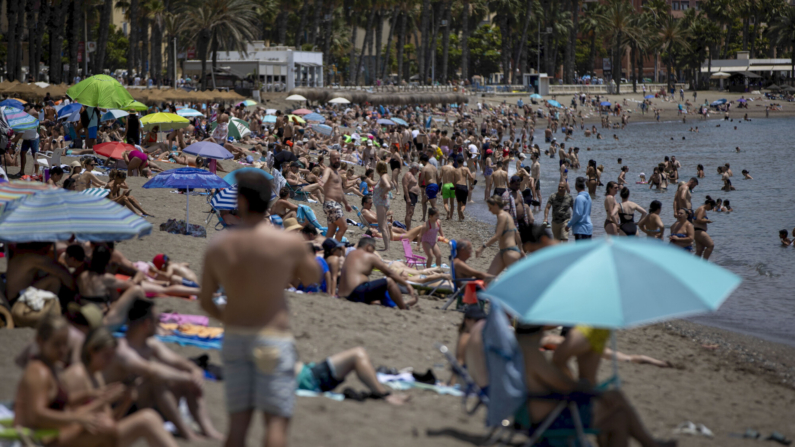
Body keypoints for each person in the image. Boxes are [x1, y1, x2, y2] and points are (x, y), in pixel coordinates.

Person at [199, 171, 321, 447]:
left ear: (239, 201)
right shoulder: (287, 242)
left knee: (238, 426)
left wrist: (227, 318)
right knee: (275, 423)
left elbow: (205, 301)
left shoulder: (219, 246)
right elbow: (313, 276)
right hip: (271, 338)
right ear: (270, 202)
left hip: (235, 337)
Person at [14, 315, 180, 447]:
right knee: (114, 427)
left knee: (134, 421)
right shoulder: (46, 372)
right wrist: (96, 404)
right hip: (39, 437)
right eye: (57, 345)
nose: (63, 350)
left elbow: (62, 404)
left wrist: (123, 401)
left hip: (55, 433)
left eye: (65, 345)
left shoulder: (63, 370)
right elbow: (39, 414)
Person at [295, 347, 408, 405]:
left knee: (358, 354)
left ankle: (383, 393)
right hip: (308, 378)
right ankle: (384, 395)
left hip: (307, 374)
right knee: (358, 354)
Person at [337, 237, 418, 309]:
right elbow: (390, 273)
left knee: (378, 295)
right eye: (374, 248)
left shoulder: (350, 254)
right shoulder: (369, 256)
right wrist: (407, 284)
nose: (374, 250)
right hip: (355, 292)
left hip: (343, 294)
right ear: (368, 246)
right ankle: (403, 307)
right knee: (389, 281)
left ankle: (398, 303)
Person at [476, 196, 522, 275]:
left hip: (510, 252)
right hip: (503, 252)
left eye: (490, 207)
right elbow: (516, 232)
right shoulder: (507, 215)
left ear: (496, 205)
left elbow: (497, 236)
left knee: (516, 281)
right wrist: (521, 250)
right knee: (489, 277)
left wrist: (482, 247)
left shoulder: (502, 216)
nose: (489, 210)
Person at [321, 151, 352, 242]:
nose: (337, 160)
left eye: (338, 158)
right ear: (330, 159)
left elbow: (340, 191)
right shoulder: (328, 170)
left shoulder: (337, 173)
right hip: (331, 204)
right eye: (334, 159)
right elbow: (325, 177)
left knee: (332, 229)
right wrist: (322, 181)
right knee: (343, 226)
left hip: (334, 204)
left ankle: (325, 249)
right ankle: (335, 248)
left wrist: (346, 203)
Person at [373, 161, 393, 250]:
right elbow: (392, 185)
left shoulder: (383, 177)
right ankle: (388, 246)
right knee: (384, 224)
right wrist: (385, 192)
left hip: (381, 203)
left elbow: (388, 186)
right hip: (383, 202)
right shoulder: (386, 176)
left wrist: (384, 193)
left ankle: (387, 247)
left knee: (382, 226)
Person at [453, 155, 475, 221]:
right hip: (464, 186)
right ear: (463, 162)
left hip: (457, 186)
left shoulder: (455, 170)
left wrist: (454, 188)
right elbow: (471, 177)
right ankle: (462, 210)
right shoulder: (466, 169)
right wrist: (472, 184)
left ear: (457, 162)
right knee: (463, 203)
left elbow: (454, 181)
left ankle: (459, 218)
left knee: (458, 203)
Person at [418, 153, 439, 221]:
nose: (422, 163)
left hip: (430, 186)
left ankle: (437, 218)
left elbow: (421, 180)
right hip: (435, 186)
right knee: (423, 201)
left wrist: (419, 185)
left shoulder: (424, 168)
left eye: (422, 162)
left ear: (423, 161)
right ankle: (424, 218)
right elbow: (438, 178)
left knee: (433, 204)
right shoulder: (434, 167)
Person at [402, 163, 421, 230]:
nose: (418, 171)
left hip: (413, 195)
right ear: (413, 168)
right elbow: (405, 186)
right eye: (417, 169)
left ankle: (408, 228)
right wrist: (408, 198)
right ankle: (408, 229)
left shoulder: (412, 175)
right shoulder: (408, 174)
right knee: (409, 213)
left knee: (411, 213)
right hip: (410, 195)